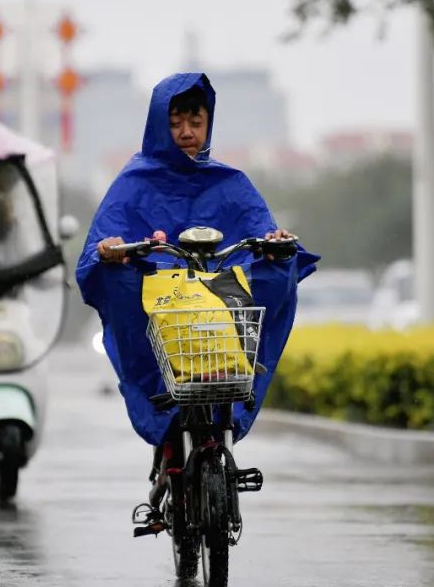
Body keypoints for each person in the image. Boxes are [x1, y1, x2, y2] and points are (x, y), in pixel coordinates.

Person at [75, 72, 318, 512]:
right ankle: (162, 419)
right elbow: (100, 245)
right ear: (157, 125)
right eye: (176, 122)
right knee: (116, 279)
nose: (187, 132)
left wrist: (276, 243)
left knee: (278, 270)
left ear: (209, 124)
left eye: (196, 121)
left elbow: (258, 229)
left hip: (220, 301)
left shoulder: (230, 182)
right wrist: (109, 252)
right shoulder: (133, 182)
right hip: (160, 304)